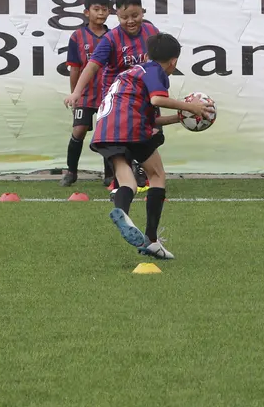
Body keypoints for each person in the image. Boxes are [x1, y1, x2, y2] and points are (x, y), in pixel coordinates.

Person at [89, 33, 213, 259]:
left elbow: (150, 118)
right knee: (156, 175)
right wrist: (194, 108)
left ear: (146, 55)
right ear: (174, 62)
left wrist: (179, 117)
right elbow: (157, 100)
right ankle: (152, 240)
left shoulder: (131, 73)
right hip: (129, 124)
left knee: (126, 179)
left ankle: (123, 213)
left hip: (106, 125)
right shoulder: (155, 71)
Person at [64, 0, 160, 189]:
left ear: (143, 11)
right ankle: (119, 177)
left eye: (135, 16)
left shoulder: (152, 33)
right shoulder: (111, 38)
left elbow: (161, 60)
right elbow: (90, 66)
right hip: (118, 97)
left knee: (154, 133)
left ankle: (140, 172)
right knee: (122, 138)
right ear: (117, 15)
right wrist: (76, 92)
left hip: (143, 93)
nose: (130, 21)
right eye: (124, 17)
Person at [61, 0, 112, 187]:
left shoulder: (114, 35)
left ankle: (109, 175)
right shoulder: (77, 37)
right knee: (79, 130)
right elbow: (75, 68)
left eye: (104, 10)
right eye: (96, 9)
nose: (100, 13)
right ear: (86, 12)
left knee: (107, 134)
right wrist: (75, 93)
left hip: (108, 95)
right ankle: (71, 172)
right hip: (85, 94)